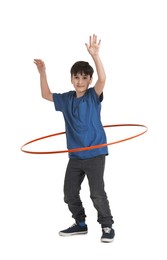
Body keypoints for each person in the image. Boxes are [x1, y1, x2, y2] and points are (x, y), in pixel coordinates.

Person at [34, 34, 115, 243]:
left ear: (89, 80)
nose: (80, 81)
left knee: (97, 193)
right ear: (71, 78)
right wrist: (42, 72)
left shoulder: (93, 96)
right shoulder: (66, 99)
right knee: (69, 193)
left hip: (95, 153)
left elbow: (103, 79)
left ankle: (107, 226)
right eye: (76, 77)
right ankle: (80, 224)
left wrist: (96, 56)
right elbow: (45, 95)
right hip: (75, 156)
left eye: (84, 78)